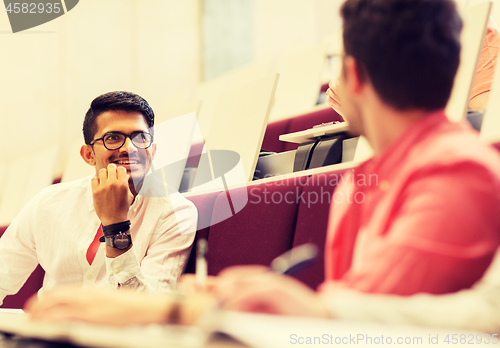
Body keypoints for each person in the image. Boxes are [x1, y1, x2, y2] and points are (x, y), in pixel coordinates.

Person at [24, 0, 500, 333]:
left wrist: (186, 309)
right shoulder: (371, 176)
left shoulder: (453, 172)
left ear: (352, 75)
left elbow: (361, 322)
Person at [0, 91, 197, 306]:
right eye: (113, 138)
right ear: (88, 155)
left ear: (153, 150)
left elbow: (149, 309)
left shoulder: (176, 212)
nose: (129, 149)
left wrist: (116, 225)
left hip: (117, 338)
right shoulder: (48, 203)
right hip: (47, 329)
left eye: (140, 138)